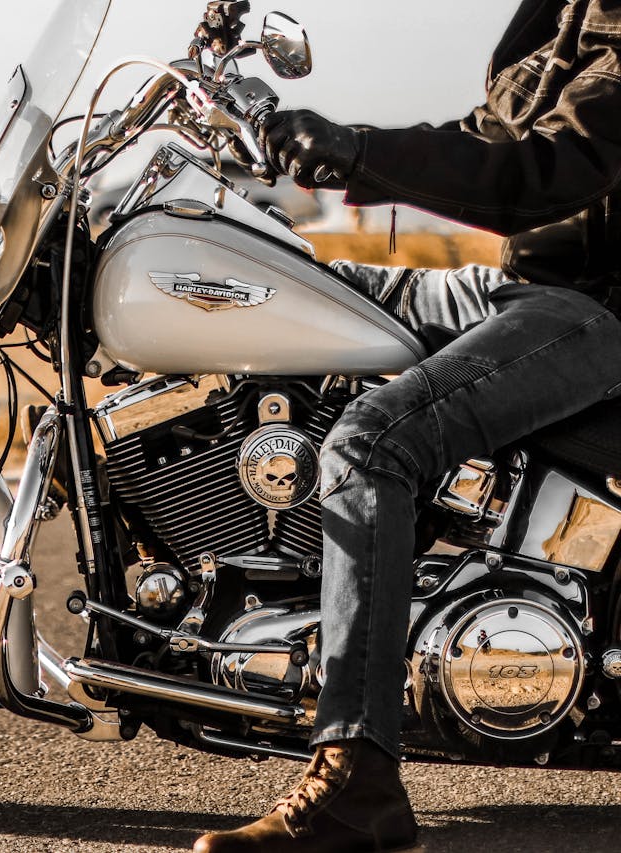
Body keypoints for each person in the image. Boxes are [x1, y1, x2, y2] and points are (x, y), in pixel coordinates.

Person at [194, 1, 621, 851]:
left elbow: (549, 171)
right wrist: (316, 153)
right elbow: (491, 134)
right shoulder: (562, 9)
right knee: (291, 285)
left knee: (372, 442)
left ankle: (358, 780)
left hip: (596, 312)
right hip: (526, 287)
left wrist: (360, 152)